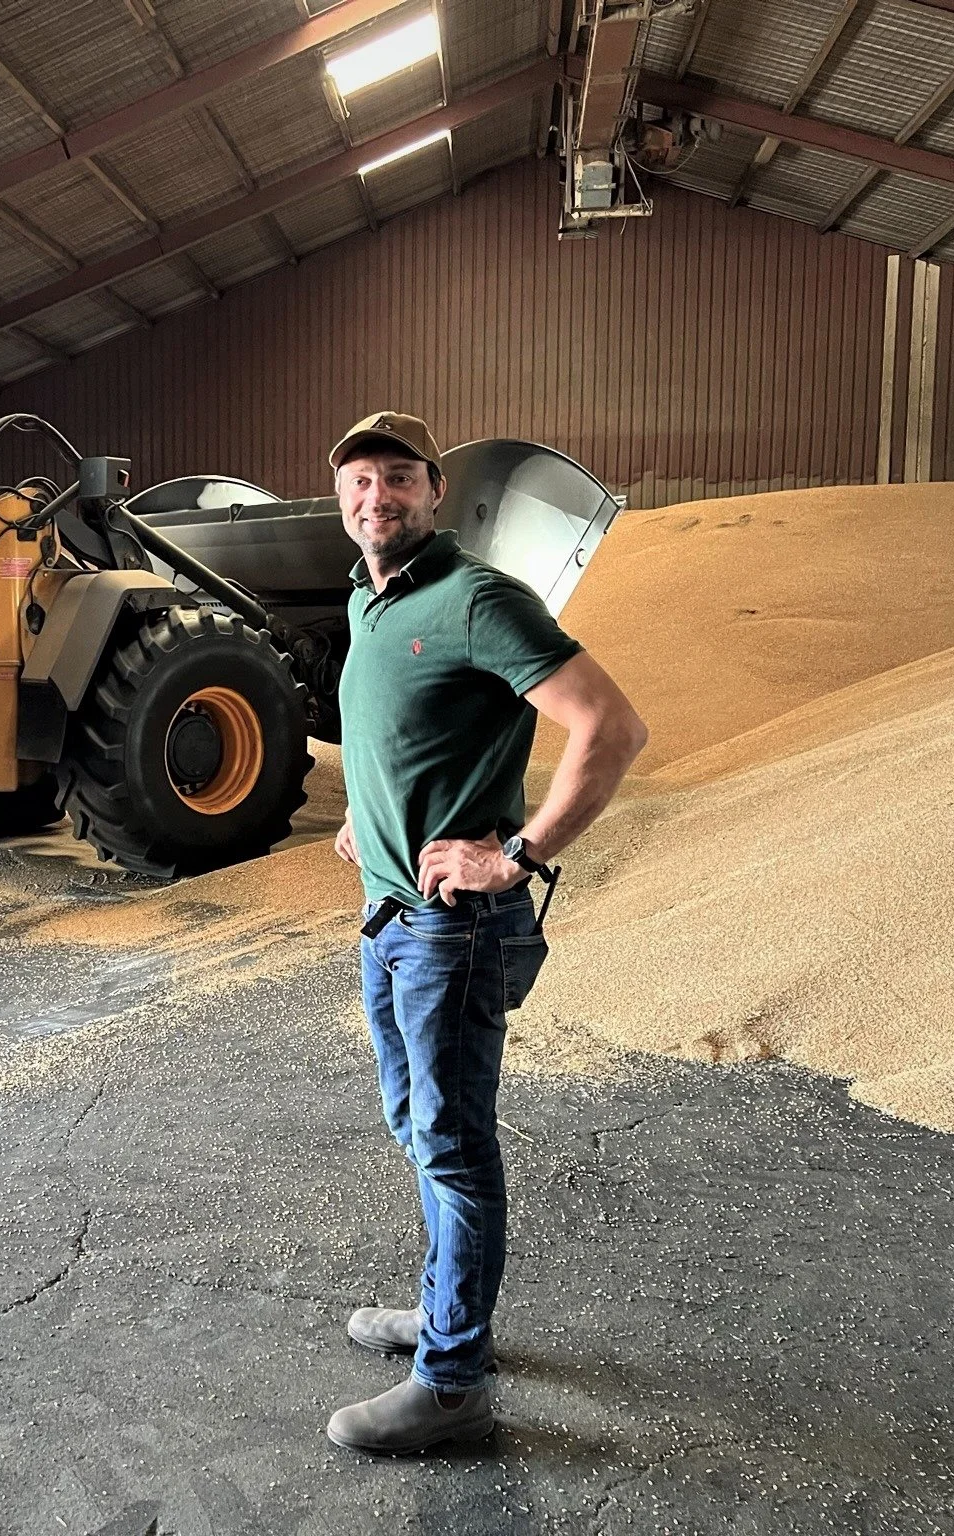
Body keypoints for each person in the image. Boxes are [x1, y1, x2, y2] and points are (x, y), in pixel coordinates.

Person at [324, 411, 647, 1456]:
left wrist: (514, 855)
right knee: (417, 1130)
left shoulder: (476, 601)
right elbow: (406, 733)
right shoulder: (370, 603)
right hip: (385, 923)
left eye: (397, 481)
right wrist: (362, 816)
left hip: (450, 933)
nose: (376, 499)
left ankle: (452, 1382)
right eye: (358, 483)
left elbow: (609, 726)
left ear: (434, 493)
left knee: (452, 1149)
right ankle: (444, 1314)